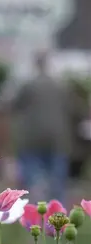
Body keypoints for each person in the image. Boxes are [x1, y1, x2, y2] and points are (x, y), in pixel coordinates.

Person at [13, 52, 74, 202]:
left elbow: (15, 106)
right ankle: (58, 208)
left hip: (32, 137)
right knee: (57, 177)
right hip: (57, 137)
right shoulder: (61, 86)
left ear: (36, 64)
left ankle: (33, 203)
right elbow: (71, 109)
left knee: (32, 173)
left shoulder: (28, 86)